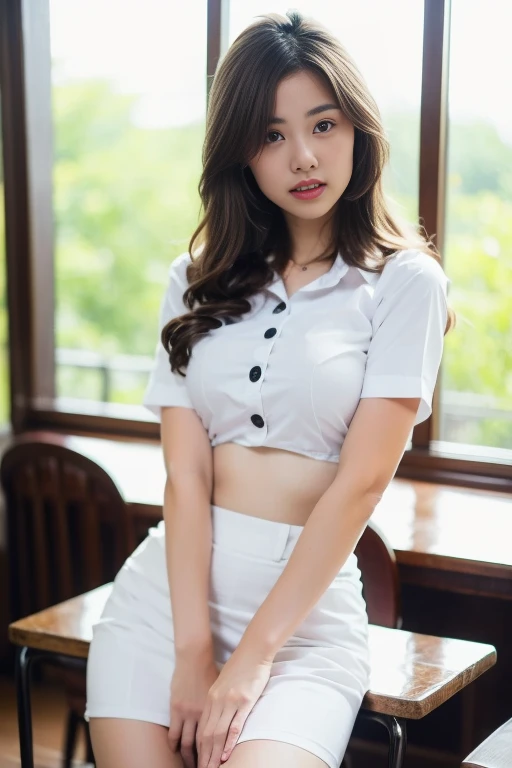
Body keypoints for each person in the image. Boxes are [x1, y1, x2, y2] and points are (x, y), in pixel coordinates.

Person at [85, 10, 454, 768]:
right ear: (241, 154)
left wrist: (249, 661)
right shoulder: (194, 281)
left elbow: (359, 486)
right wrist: (194, 652)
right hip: (168, 599)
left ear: (359, 130)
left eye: (323, 124)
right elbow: (185, 475)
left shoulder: (405, 284)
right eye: (272, 134)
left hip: (302, 626)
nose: (304, 156)